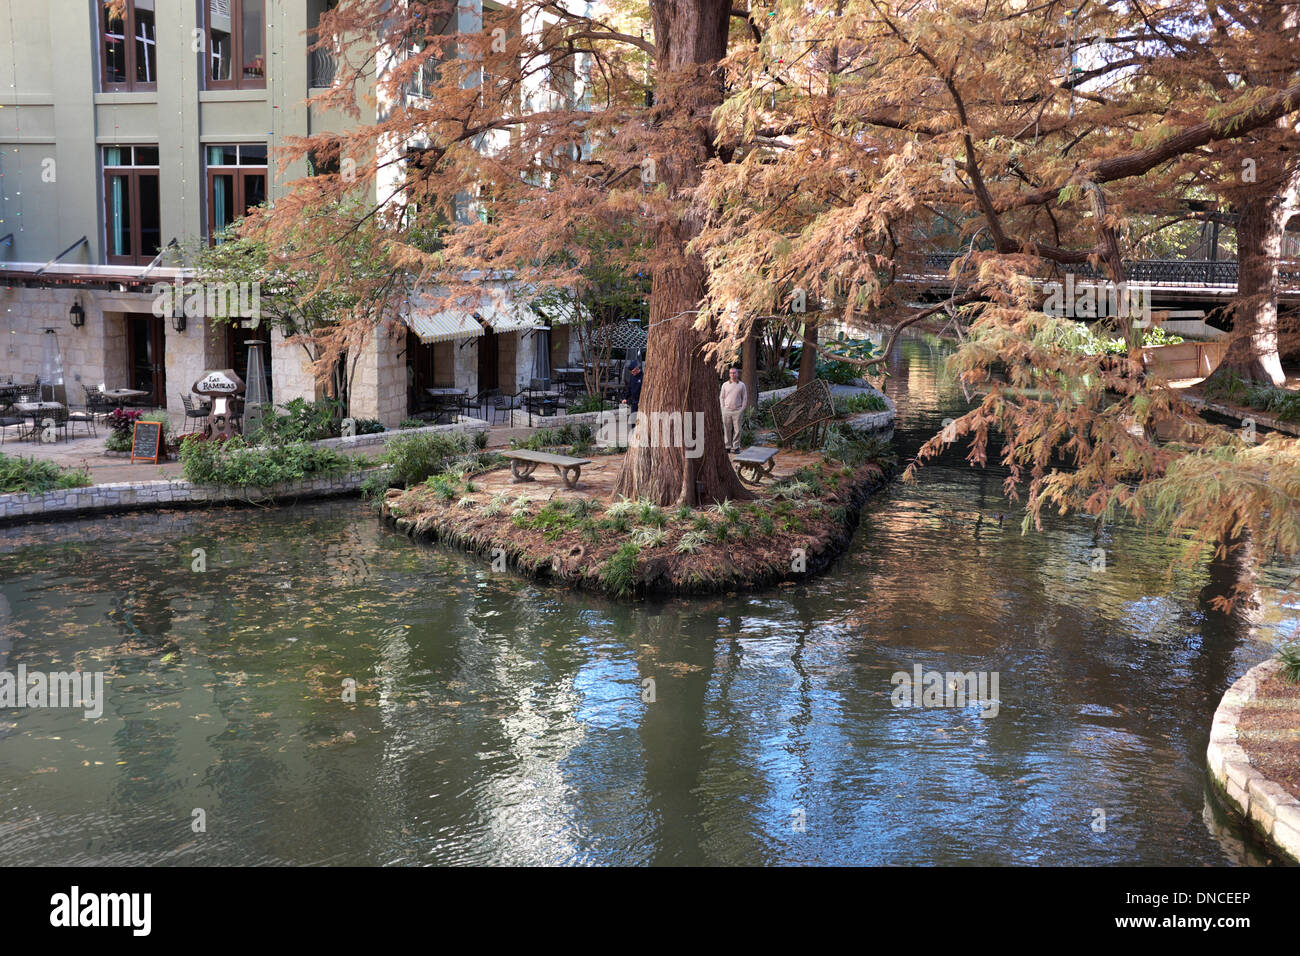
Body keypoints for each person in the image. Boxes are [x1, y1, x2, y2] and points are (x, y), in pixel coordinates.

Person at [719, 366, 746, 453]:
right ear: (729, 374)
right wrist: (723, 408)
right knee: (727, 428)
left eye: (734, 373)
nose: (732, 375)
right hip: (727, 410)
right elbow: (721, 397)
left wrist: (742, 409)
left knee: (737, 429)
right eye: (731, 373)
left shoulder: (741, 385)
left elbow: (744, 398)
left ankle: (736, 447)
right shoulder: (725, 385)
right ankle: (727, 446)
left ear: (737, 374)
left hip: (737, 410)